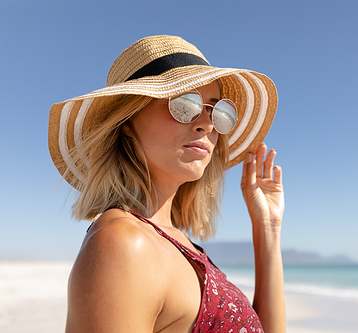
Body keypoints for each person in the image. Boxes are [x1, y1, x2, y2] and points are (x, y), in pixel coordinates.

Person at [48, 35, 285, 333]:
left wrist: (267, 228)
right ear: (128, 122)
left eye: (217, 110)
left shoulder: (173, 241)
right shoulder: (123, 245)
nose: (206, 124)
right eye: (185, 103)